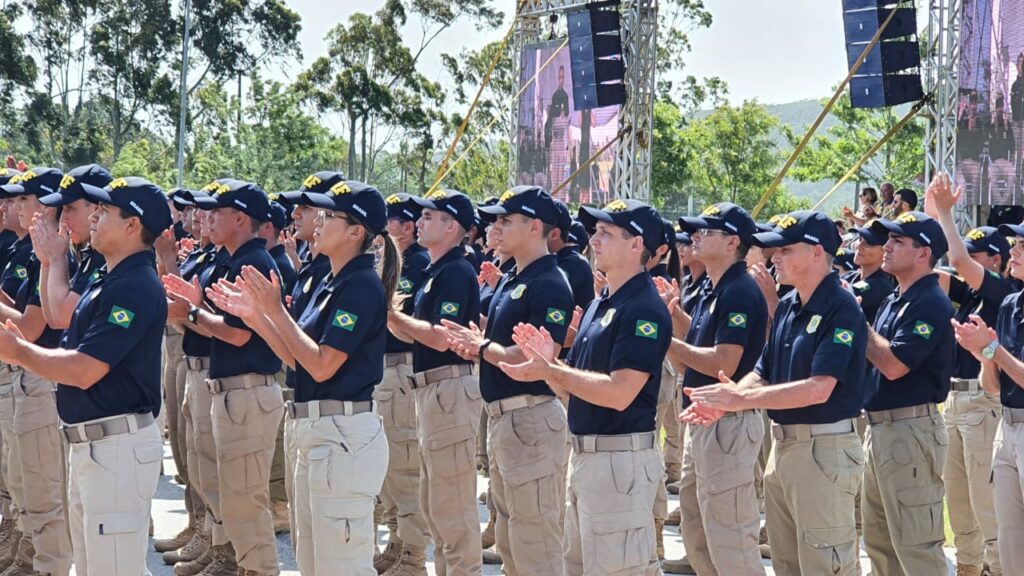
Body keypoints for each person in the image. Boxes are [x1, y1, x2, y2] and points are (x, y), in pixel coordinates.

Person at [210, 180, 398, 575]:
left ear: (355, 232)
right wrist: (256, 319)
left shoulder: (361, 285)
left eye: (330, 216)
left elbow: (322, 364)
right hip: (316, 428)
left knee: (340, 566)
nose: (319, 222)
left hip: (343, 434)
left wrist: (275, 312)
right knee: (313, 563)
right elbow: (295, 359)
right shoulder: (330, 280)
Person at [0, 176, 172, 575]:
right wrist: (50, 262)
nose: (94, 216)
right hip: (96, 445)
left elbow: (84, 369)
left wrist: (20, 351)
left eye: (105, 211)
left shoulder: (134, 287)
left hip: (116, 446)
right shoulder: (111, 278)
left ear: (133, 226)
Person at [683, 210, 867, 576]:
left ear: (817, 252)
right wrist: (728, 398)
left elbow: (819, 388)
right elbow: (763, 371)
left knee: (824, 564)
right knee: (787, 564)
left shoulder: (840, 307)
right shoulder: (788, 305)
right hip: (784, 447)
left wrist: (741, 399)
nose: (774, 258)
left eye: (784, 250)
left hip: (823, 450)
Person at [498, 198, 670, 576]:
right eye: (595, 231)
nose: (594, 239)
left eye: (607, 233)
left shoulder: (643, 309)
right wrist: (548, 369)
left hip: (619, 463)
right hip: (589, 457)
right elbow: (576, 391)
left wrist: (552, 370)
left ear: (636, 244)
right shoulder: (601, 304)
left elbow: (619, 393)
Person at [440, 185, 573, 576]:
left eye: (506, 220)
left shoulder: (548, 282)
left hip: (530, 416)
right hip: (506, 419)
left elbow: (535, 357)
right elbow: (500, 343)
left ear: (535, 227)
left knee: (535, 540)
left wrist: (482, 348)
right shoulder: (515, 276)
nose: (495, 227)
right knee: (512, 539)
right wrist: (476, 343)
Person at [164, 180, 284, 576]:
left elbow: (238, 333)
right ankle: (226, 556)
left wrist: (195, 313)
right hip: (228, 389)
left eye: (216, 211)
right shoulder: (228, 259)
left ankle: (256, 567)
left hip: (248, 390)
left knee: (245, 500)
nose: (206, 218)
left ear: (240, 218)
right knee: (221, 486)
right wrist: (192, 311)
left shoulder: (255, 264)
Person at [659, 202, 768, 575]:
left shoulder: (739, 290)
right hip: (706, 421)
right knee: (697, 525)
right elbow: (701, 343)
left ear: (732, 242)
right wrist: (674, 320)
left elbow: (724, 362)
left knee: (729, 536)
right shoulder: (712, 286)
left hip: (729, 423)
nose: (696, 237)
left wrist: (666, 342)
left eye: (707, 231)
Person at [386, 189, 483, 576]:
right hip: (431, 389)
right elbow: (419, 333)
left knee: (453, 506)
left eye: (430, 216)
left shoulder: (456, 272)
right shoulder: (436, 270)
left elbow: (443, 337)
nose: (420, 221)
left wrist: (392, 316)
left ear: (452, 226)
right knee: (435, 502)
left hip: (449, 389)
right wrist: (396, 318)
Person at [926, 173, 1009, 576]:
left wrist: (946, 213)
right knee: (958, 500)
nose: (967, 260)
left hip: (983, 400)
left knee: (986, 501)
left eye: (979, 253)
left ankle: (995, 565)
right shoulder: (972, 292)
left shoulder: (1000, 288)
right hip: (957, 400)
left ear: (995, 260)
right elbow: (934, 269)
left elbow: (956, 261)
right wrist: (933, 218)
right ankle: (970, 567)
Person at [863, 211, 954, 576]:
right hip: (883, 430)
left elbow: (895, 364)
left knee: (917, 548)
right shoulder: (896, 299)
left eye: (898, 241)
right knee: (880, 542)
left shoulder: (929, 301)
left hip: (910, 431)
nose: (886, 246)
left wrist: (859, 325)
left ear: (923, 253)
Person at [0, 166, 74, 576]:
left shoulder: (42, 255)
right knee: (22, 480)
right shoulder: (24, 252)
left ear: (47, 209)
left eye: (24, 200)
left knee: (42, 487)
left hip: (39, 377)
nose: (15, 207)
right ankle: (29, 554)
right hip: (24, 376)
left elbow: (30, 326)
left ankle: (47, 565)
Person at [953, 218, 1024, 576]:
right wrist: (985, 357)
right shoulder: (1012, 304)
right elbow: (996, 388)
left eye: (1023, 245)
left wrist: (992, 348)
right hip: (1006, 426)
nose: (1015, 251)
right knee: (1010, 542)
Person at [372, 192, 432, 575]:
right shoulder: (392, 260)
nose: (385, 227)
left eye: (391, 220)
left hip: (404, 368)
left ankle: (412, 551)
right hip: (386, 367)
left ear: (405, 227)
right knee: (389, 465)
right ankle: (396, 537)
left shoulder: (420, 264)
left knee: (406, 465)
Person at [845, 225, 895, 324]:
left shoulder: (881, 284)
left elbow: (840, 295)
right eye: (860, 239)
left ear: (885, 250)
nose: (859, 246)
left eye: (868, 243)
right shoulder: (850, 276)